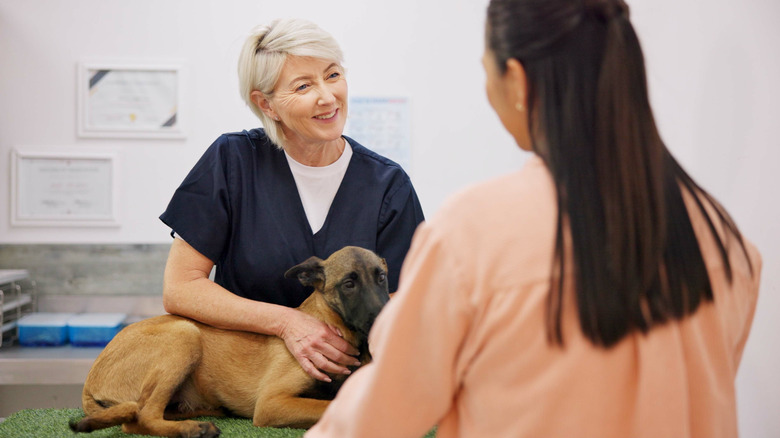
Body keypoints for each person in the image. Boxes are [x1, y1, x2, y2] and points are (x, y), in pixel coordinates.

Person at [306, 0, 762, 437]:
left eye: (487, 72)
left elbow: (381, 414)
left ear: (518, 83)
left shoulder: (473, 232)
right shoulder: (723, 239)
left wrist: (390, 334)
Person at [159, 18, 424, 383]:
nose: (328, 97)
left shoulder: (388, 184)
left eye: (333, 75)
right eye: (304, 86)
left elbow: (398, 306)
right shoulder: (233, 161)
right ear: (266, 104)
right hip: (237, 381)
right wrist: (287, 322)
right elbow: (180, 289)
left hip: (344, 380)